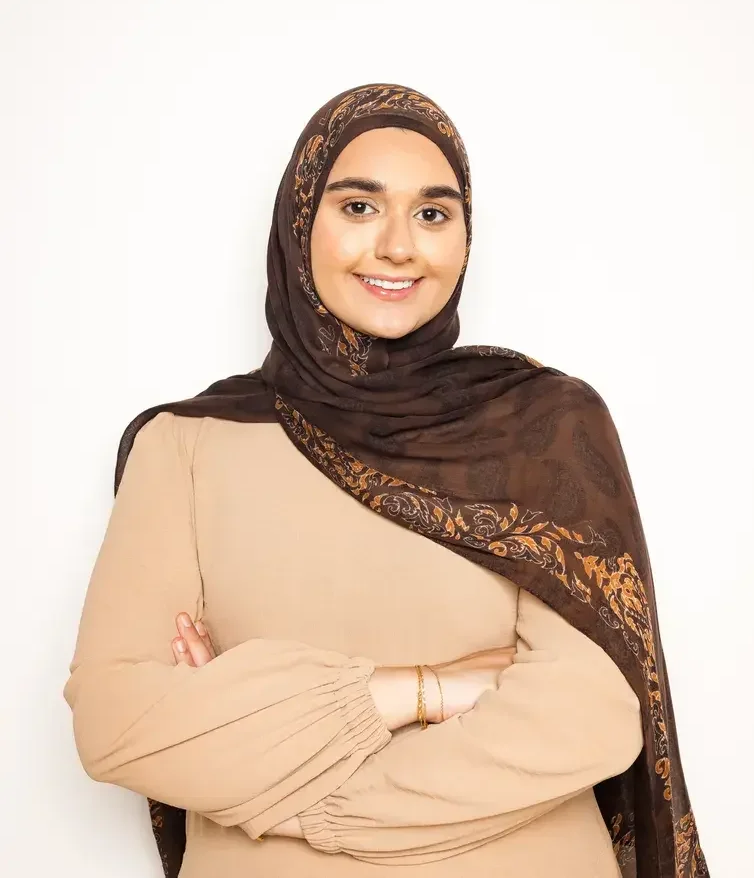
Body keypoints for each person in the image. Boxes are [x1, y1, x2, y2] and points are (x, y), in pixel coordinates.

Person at [63, 83, 708, 878]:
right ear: (300, 227)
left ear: (465, 237)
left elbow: (595, 716)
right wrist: (428, 691)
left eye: (433, 213)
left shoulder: (545, 431)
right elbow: (118, 723)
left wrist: (279, 784)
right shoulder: (189, 445)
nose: (399, 245)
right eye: (359, 207)